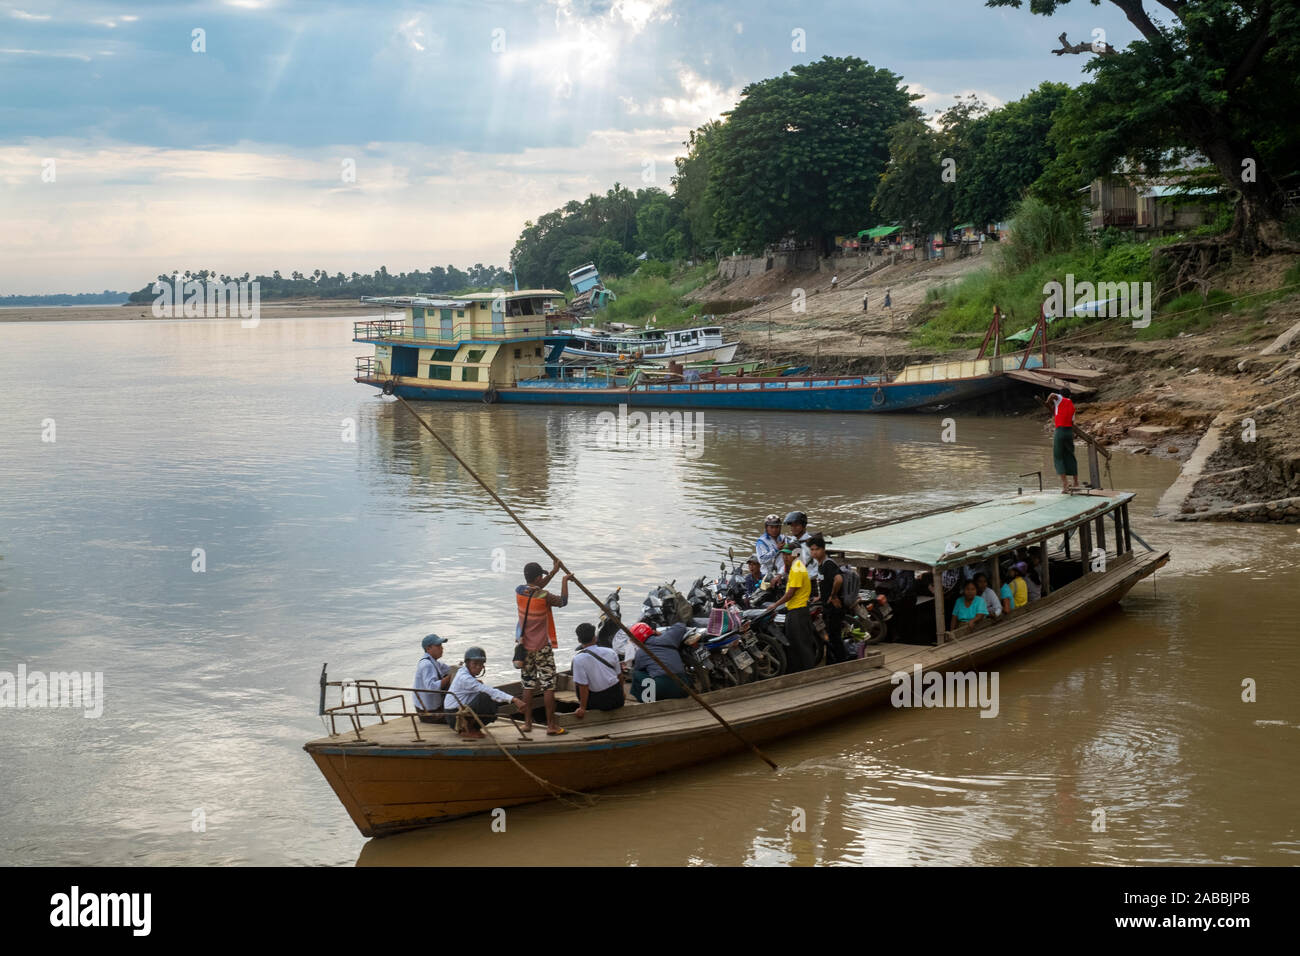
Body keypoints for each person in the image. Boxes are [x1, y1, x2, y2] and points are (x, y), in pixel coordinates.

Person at [515, 559, 572, 736]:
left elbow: (537, 589)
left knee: (528, 684)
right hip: (542, 648)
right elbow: (563, 601)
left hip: (525, 647)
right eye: (542, 576)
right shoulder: (544, 596)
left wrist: (553, 572)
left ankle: (527, 724)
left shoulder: (519, 591)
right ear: (539, 577)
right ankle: (551, 726)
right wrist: (564, 581)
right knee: (548, 685)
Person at [443, 647, 526, 739]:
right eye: (475, 663)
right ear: (467, 663)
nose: (478, 667)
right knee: (486, 696)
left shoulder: (464, 673)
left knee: (491, 700)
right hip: (455, 717)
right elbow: (488, 691)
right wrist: (514, 699)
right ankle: (466, 729)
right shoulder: (465, 678)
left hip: (455, 712)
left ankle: (473, 727)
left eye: (481, 664)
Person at [772, 544, 819, 671]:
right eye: (784, 554)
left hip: (798, 611)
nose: (785, 557)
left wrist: (774, 605)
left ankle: (808, 673)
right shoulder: (795, 567)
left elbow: (790, 593)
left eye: (788, 554)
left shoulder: (797, 568)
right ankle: (798, 671)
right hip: (795, 610)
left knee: (801, 644)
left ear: (796, 554)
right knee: (794, 643)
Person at [808, 534, 849, 664]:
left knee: (834, 635)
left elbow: (838, 580)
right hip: (827, 605)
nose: (814, 552)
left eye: (817, 549)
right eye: (812, 549)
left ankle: (842, 661)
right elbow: (827, 582)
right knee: (831, 635)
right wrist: (821, 596)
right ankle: (834, 661)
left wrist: (833, 596)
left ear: (823, 549)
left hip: (834, 606)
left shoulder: (828, 564)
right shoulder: (820, 564)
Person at [629, 621, 693, 701]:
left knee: (636, 674)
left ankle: (645, 700)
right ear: (651, 631)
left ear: (637, 640)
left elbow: (639, 670)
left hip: (660, 690)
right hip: (683, 689)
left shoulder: (640, 653)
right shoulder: (668, 637)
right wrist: (663, 633)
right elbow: (681, 625)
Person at [572, 623, 623, 717]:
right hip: (618, 700)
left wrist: (582, 708)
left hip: (598, 703)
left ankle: (584, 706)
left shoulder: (578, 659)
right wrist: (622, 694)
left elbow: (583, 686)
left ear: (579, 640)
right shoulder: (611, 652)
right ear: (595, 638)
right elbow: (619, 676)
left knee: (578, 682)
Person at [413, 633, 453, 722]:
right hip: (428, 713)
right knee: (461, 717)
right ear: (428, 649)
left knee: (449, 677)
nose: (442, 648)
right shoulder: (427, 665)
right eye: (438, 646)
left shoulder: (434, 662)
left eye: (441, 646)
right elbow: (431, 687)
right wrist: (449, 677)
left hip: (432, 708)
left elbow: (450, 669)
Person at [1050, 392, 1080, 493]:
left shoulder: (1060, 399)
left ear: (1061, 394)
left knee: (1058, 456)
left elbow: (1052, 394)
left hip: (1060, 431)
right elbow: (1072, 422)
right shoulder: (1072, 405)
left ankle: (1065, 484)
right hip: (1069, 432)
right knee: (1070, 455)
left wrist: (1047, 401)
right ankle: (1076, 483)